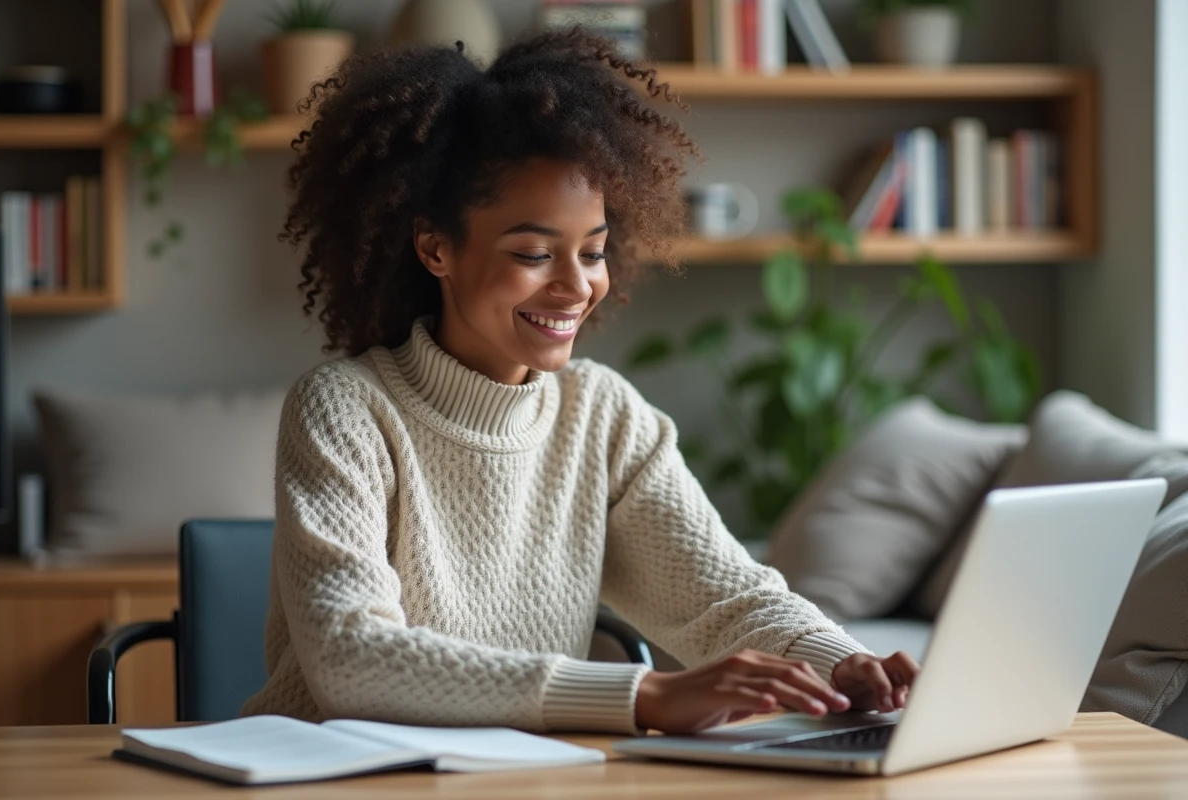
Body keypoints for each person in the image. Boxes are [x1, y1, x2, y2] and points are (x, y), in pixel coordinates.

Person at [242, 28, 919, 736]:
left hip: (521, 776)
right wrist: (641, 695)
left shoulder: (603, 415)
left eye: (592, 252)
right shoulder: (345, 409)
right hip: (332, 773)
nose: (575, 286)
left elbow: (724, 598)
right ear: (436, 247)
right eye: (535, 253)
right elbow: (349, 657)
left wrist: (842, 664)